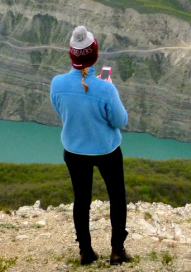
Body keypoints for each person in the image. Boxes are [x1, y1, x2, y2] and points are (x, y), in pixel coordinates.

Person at [50, 25, 132, 266]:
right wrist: (103, 95)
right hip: (107, 150)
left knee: (81, 199)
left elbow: (62, 111)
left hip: (74, 151)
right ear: (95, 55)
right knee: (117, 197)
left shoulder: (57, 83)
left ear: (71, 55)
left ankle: (86, 251)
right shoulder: (106, 87)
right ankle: (117, 251)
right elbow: (120, 121)